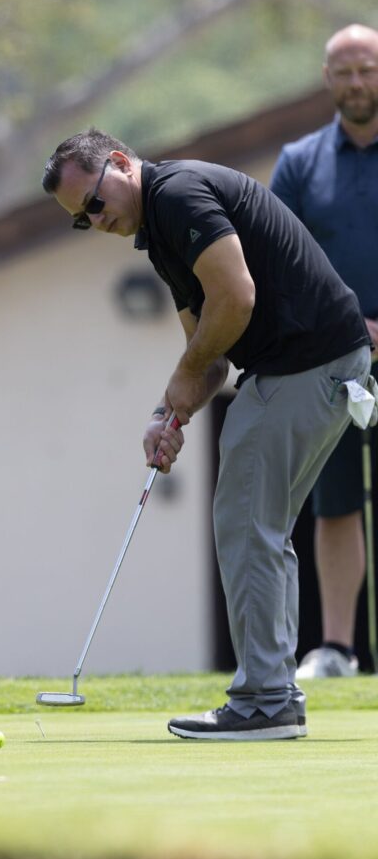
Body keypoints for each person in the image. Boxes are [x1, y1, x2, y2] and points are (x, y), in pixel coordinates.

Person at [42, 128, 372, 740]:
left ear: (119, 163)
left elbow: (236, 299)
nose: (96, 220)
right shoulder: (161, 236)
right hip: (315, 366)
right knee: (260, 525)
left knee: (247, 519)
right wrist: (168, 414)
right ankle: (274, 693)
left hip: (309, 363)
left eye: (94, 202)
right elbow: (209, 354)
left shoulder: (178, 195)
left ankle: (265, 701)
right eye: (82, 221)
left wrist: (181, 381)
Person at [270, 23, 378, 679]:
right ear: (326, 78)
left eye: (367, 69)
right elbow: (281, 260)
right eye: (344, 71)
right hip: (332, 360)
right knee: (334, 502)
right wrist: (346, 326)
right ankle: (337, 648)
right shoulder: (300, 160)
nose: (357, 82)